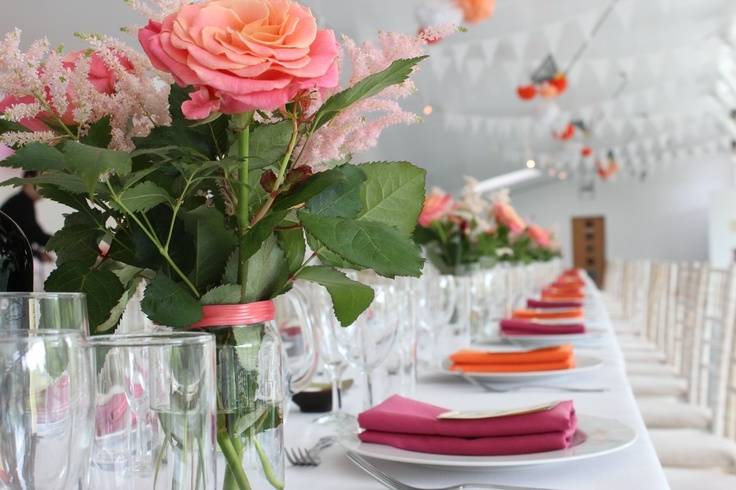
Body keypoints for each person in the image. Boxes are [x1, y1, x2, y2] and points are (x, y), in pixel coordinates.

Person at [1, 171, 52, 261]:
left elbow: (25, 237)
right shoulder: (19, 204)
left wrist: (38, 254)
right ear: (28, 179)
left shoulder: (23, 202)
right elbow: (34, 234)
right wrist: (61, 243)